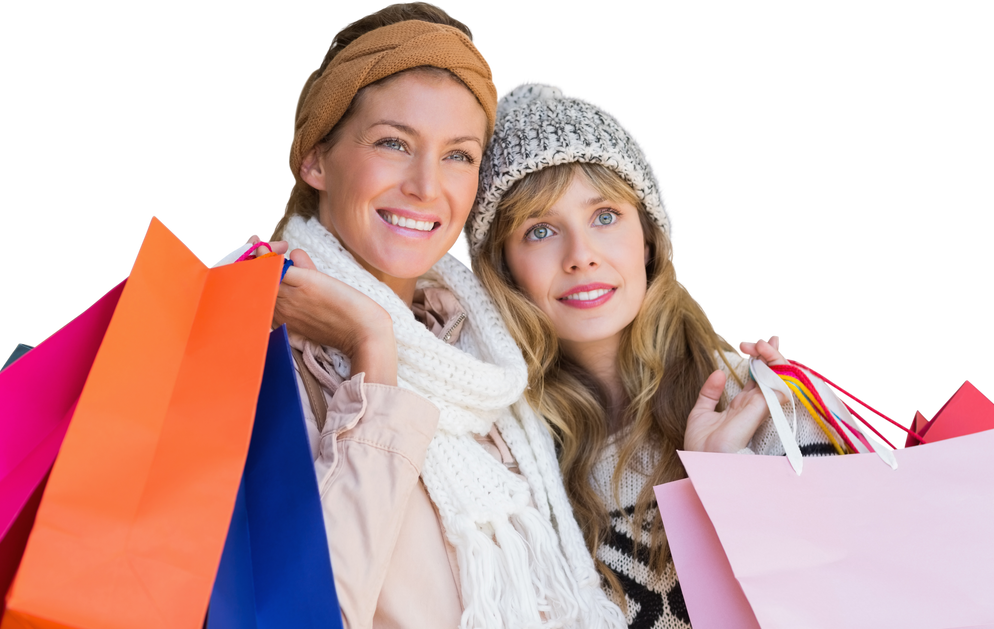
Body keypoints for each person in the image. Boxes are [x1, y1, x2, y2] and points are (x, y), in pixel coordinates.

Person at [245, 4, 626, 628]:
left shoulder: (478, 347)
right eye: (394, 143)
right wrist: (371, 349)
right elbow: (299, 614)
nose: (427, 186)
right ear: (315, 160)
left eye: (458, 155)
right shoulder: (259, 344)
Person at [464, 79, 843, 628]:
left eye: (604, 216)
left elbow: (844, 602)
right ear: (502, 269)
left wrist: (724, 479)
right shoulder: (504, 461)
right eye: (541, 230)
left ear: (647, 236)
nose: (581, 256)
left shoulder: (766, 402)